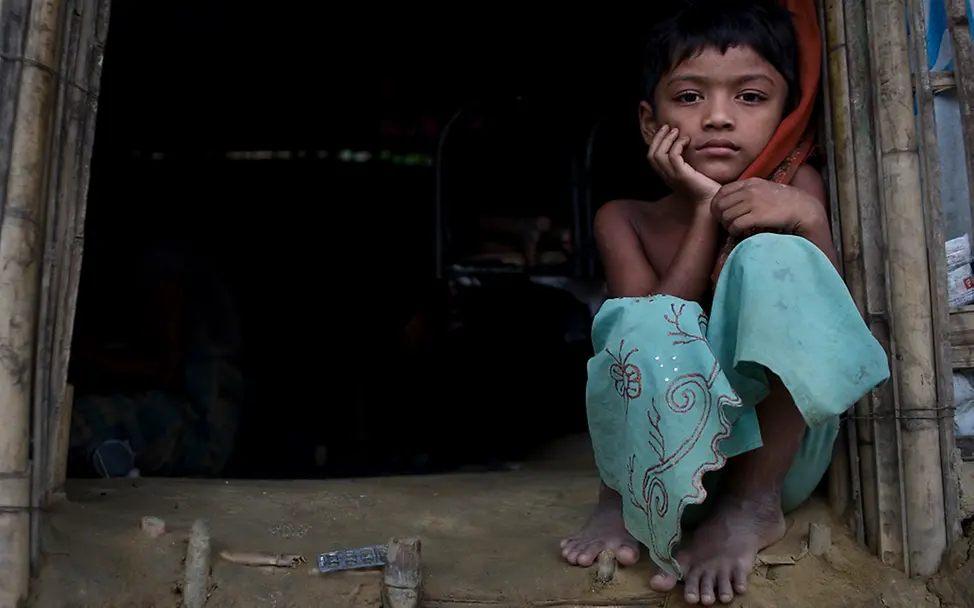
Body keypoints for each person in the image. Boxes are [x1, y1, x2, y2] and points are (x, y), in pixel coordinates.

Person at [559, 1, 890, 605]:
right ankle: (625, 500)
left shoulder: (794, 191)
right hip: (661, 459)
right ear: (647, 119)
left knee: (775, 258)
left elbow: (826, 333)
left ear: (787, 112)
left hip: (778, 460)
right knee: (632, 319)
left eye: (750, 97)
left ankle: (750, 506)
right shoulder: (624, 219)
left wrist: (810, 219)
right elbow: (650, 334)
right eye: (688, 97)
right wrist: (708, 213)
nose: (717, 118)